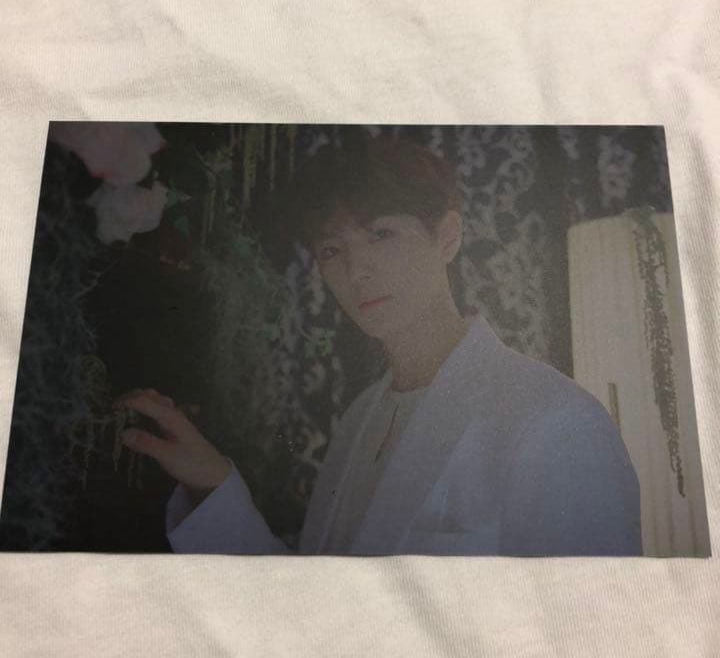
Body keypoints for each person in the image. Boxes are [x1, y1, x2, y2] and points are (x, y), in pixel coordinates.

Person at [117, 136, 642, 556]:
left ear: (447, 237)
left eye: (381, 234)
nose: (357, 270)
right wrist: (212, 484)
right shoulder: (360, 419)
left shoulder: (555, 421)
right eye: (331, 250)